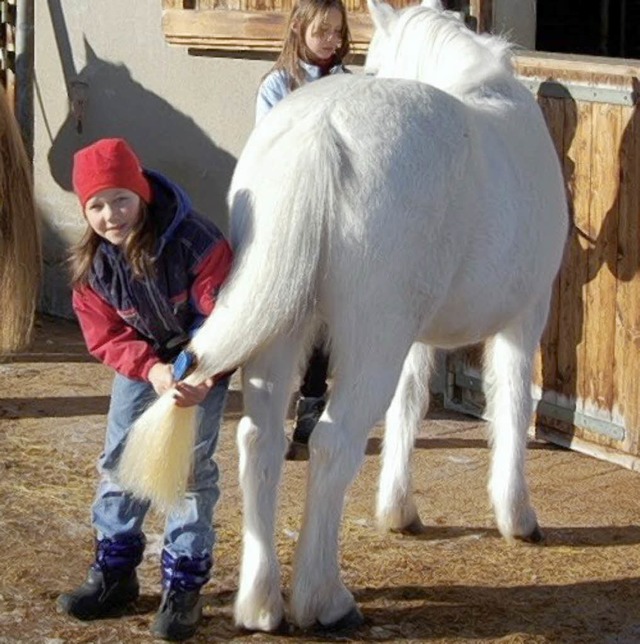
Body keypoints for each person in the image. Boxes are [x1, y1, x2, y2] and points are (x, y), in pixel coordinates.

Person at [57, 138, 233, 641]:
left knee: (190, 473)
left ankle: (184, 587)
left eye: (121, 199)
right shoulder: (91, 269)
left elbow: (221, 313)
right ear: (84, 210)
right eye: (96, 205)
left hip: (204, 363)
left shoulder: (197, 241)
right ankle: (114, 572)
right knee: (120, 462)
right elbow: (106, 336)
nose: (111, 215)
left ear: (142, 195)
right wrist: (152, 370)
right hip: (143, 367)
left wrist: (200, 373)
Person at [255, 0, 351, 459]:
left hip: (335, 219)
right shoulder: (278, 86)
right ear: (298, 29)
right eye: (323, 31)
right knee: (285, 317)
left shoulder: (349, 85)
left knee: (325, 321)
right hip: (291, 216)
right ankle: (268, 412)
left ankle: (311, 414)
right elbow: (270, 151)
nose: (332, 40)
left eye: (338, 32)